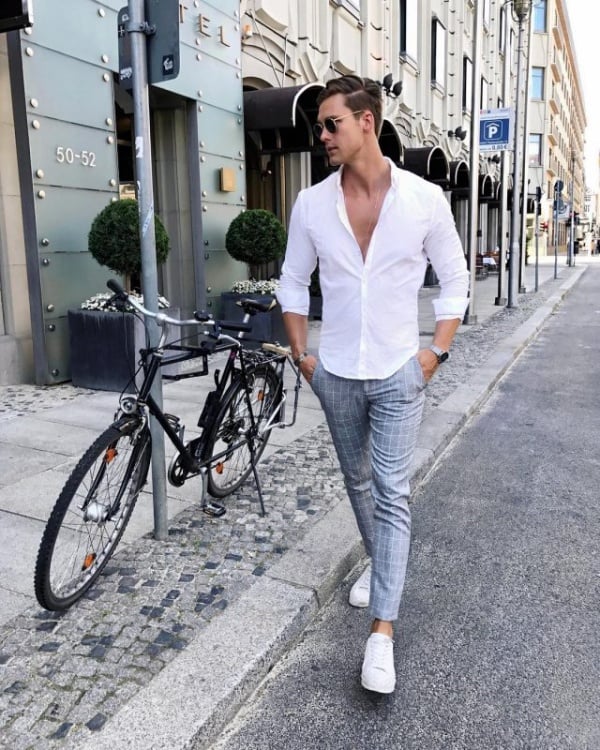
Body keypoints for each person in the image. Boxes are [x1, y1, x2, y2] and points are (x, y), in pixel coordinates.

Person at [276, 75, 469, 694]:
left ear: (367, 122)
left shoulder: (423, 199)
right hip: (334, 372)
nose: (322, 135)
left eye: (331, 123)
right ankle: (379, 564)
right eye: (318, 127)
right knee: (357, 482)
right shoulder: (311, 204)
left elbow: (455, 279)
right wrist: (304, 356)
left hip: (396, 372)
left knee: (391, 490)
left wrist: (434, 353)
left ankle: (381, 634)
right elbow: (291, 281)